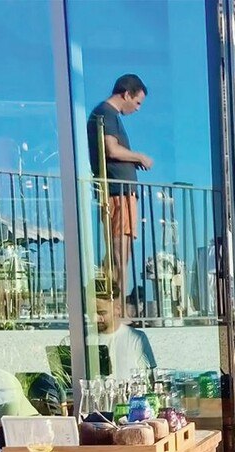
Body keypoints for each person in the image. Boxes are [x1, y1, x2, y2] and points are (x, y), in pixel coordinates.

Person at [86, 74, 152, 305]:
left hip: (123, 192)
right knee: (119, 250)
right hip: (117, 192)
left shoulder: (109, 115)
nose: (137, 108)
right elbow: (111, 150)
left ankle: (113, 301)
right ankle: (116, 305)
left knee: (122, 250)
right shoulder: (106, 113)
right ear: (126, 94)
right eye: (137, 102)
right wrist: (139, 157)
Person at [95, 296, 156, 377]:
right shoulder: (85, 339)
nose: (96, 318)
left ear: (117, 310)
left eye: (102, 313)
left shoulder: (135, 337)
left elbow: (147, 377)